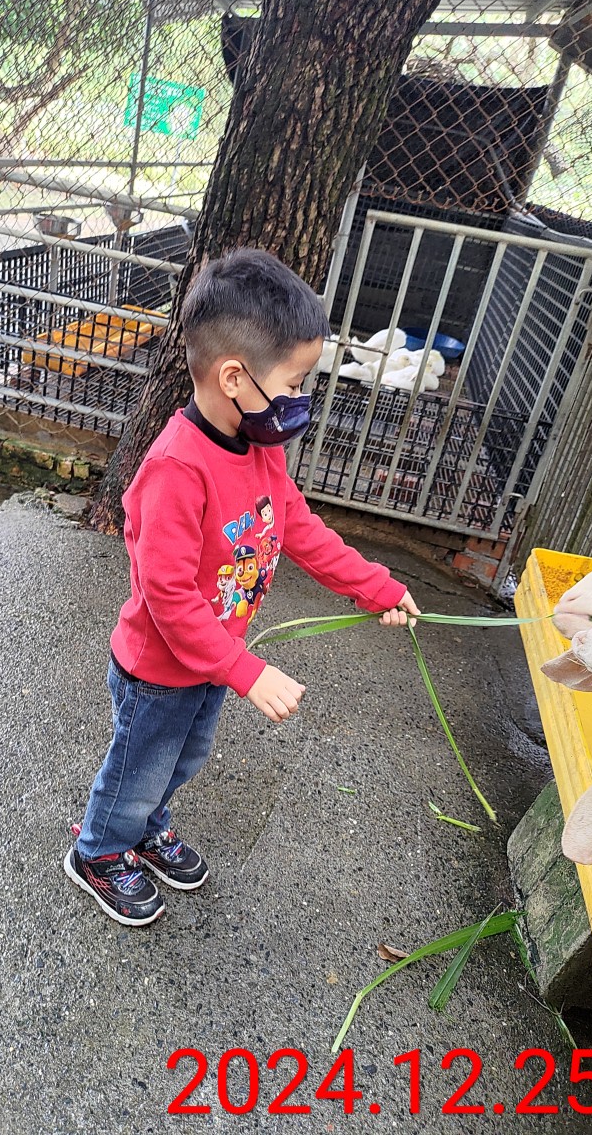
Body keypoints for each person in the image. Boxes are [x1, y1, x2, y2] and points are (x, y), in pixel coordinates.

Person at [64, 248, 421, 926]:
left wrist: (374, 586)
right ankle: (100, 850)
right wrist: (246, 671)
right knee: (139, 764)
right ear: (235, 377)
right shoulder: (176, 470)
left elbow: (297, 527)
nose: (300, 399)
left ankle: (144, 828)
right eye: (294, 383)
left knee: (183, 757)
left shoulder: (261, 447)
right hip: (159, 668)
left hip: (212, 661)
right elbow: (169, 597)